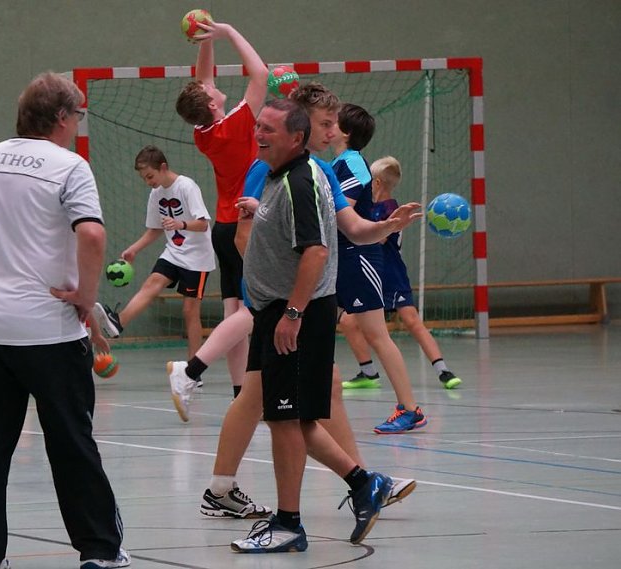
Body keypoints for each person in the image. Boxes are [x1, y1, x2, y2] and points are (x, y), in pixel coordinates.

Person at [173, 84, 419, 520]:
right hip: (285, 308)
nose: (333, 130)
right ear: (299, 126)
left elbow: (354, 229)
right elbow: (247, 238)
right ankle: (361, 482)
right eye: (325, 124)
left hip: (297, 306)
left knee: (272, 398)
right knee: (294, 405)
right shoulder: (267, 172)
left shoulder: (319, 173)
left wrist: (386, 228)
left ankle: (224, 488)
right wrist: (283, 302)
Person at [0, 72, 129, 569]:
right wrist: (87, 295)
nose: (78, 123)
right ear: (61, 117)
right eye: (77, 115)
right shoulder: (69, 166)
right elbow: (93, 237)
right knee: (71, 444)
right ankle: (99, 551)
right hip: (48, 330)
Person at [230, 98, 394, 553]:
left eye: (269, 129)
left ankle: (287, 524)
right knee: (290, 418)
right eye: (258, 126)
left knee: (285, 420)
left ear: (296, 139)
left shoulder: (301, 181)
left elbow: (317, 251)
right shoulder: (280, 176)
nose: (259, 134)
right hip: (276, 313)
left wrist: (292, 314)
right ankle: (365, 484)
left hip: (294, 315)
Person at [174, 19, 268, 393]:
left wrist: (205, 41)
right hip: (246, 226)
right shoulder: (236, 125)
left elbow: (202, 80)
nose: (212, 86)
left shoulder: (203, 133)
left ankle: (239, 393)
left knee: (233, 311)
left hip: (223, 228)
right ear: (213, 104)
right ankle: (192, 369)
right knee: (253, 312)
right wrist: (229, 31)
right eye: (211, 90)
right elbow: (260, 73)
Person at [92, 145, 216, 413]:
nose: (148, 182)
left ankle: (194, 371)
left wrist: (181, 225)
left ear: (162, 167)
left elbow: (204, 223)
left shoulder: (187, 187)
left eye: (149, 176)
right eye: (144, 179)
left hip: (197, 258)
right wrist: (135, 249)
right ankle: (117, 324)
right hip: (174, 252)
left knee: (189, 311)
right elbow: (154, 230)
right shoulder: (156, 194)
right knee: (152, 283)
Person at [330, 103, 427, 434]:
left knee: (377, 334)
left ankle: (410, 408)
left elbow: (340, 213)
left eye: (331, 122)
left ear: (344, 132)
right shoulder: (339, 162)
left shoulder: (354, 167)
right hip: (338, 258)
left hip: (360, 258)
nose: (325, 126)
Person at [339, 156, 463, 390]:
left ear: (376, 183)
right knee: (347, 321)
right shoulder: (367, 208)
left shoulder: (391, 210)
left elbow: (380, 237)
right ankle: (368, 372)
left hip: (391, 275)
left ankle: (443, 370)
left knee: (411, 320)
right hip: (369, 274)